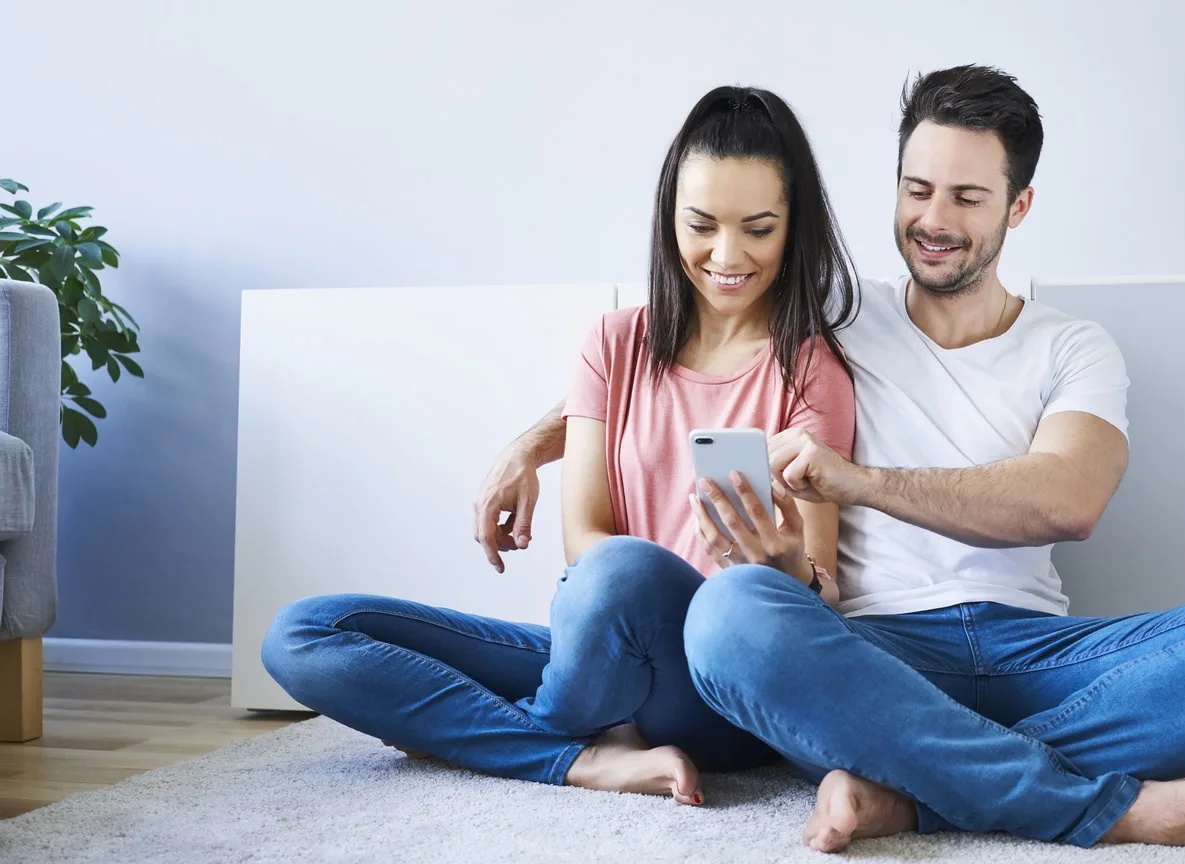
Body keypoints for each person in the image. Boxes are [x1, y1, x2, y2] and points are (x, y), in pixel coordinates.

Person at [477, 65, 1185, 860]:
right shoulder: (836, 313)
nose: (935, 220)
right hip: (865, 653)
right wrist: (531, 444)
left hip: (1036, 650)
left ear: (1019, 205)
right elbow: (677, 358)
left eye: (968, 196)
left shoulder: (1074, 347)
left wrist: (858, 481)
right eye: (917, 189)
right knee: (732, 614)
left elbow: (1069, 499)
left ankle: (913, 794)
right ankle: (1112, 809)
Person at [262, 84, 859, 805]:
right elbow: (585, 542)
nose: (726, 254)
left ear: (794, 228)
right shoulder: (613, 343)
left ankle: (528, 731)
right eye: (701, 225)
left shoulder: (813, 371)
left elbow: (820, 585)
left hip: (716, 689)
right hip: (599, 650)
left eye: (758, 229)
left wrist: (785, 567)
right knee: (306, 633)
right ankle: (581, 756)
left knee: (626, 569)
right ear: (669, 217)